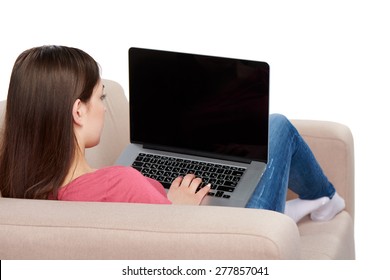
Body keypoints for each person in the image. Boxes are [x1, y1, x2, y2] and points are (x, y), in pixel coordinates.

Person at [0, 45, 345, 223]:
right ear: (78, 111)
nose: (104, 107)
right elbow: (181, 244)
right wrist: (177, 208)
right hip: (237, 237)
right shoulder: (122, 182)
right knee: (278, 126)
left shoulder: (22, 189)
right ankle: (327, 199)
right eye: (100, 96)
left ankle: (311, 204)